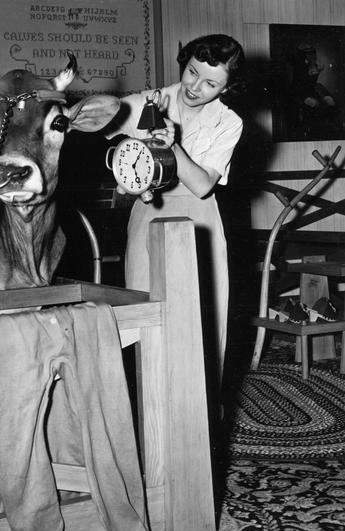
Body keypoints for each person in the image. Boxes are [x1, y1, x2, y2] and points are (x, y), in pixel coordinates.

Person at [105, 33, 246, 388]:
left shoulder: (228, 122)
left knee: (199, 321)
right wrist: (128, 172)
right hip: (148, 218)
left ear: (226, 89)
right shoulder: (147, 102)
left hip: (199, 222)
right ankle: (147, 408)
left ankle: (201, 415)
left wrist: (173, 147)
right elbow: (99, 133)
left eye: (211, 83)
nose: (195, 86)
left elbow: (202, 185)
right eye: (192, 72)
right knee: (142, 312)